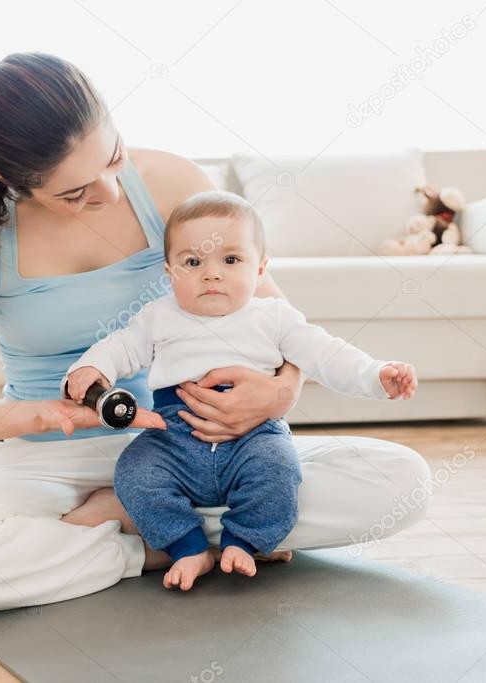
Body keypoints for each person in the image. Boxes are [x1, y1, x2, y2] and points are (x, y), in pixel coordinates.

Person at [0, 52, 431, 615]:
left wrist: (280, 393)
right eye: (75, 193)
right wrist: (48, 414)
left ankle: (158, 531)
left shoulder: (171, 182)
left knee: (402, 481)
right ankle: (157, 544)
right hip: (51, 466)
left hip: (199, 443)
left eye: (113, 158)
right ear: (7, 180)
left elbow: (278, 321)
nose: (110, 193)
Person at [63, 190, 417, 591]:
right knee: (134, 472)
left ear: (261, 268)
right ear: (170, 273)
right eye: (193, 262)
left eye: (230, 260)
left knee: (279, 468)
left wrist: (376, 375)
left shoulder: (274, 317)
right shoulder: (159, 316)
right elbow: (121, 346)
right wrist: (92, 367)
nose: (212, 274)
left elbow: (326, 353)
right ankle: (187, 546)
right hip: (173, 437)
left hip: (254, 437)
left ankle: (246, 541)